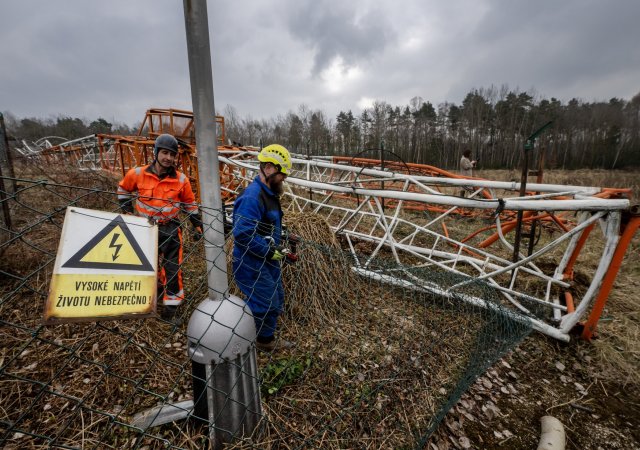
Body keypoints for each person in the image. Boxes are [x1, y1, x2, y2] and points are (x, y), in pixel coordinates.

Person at [117, 134, 202, 322]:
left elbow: (190, 203)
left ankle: (169, 311)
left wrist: (197, 225)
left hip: (170, 229)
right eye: (165, 153)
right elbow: (123, 190)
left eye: (172, 155)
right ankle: (144, 301)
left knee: (173, 270)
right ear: (156, 152)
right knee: (145, 267)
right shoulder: (137, 174)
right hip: (144, 230)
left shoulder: (181, 180)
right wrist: (127, 212)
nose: (169, 158)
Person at [232, 144, 294, 352]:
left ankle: (264, 339)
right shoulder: (252, 197)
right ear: (268, 168)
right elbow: (243, 234)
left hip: (266, 259)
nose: (284, 178)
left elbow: (268, 224)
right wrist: (269, 251)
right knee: (264, 303)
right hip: (251, 261)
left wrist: (284, 236)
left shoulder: (269, 194)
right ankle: (247, 338)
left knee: (275, 298)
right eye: (281, 173)